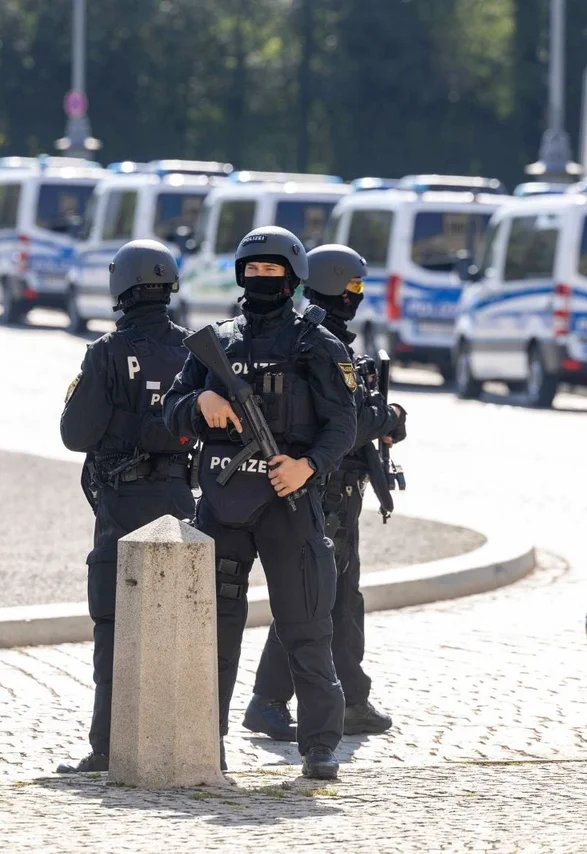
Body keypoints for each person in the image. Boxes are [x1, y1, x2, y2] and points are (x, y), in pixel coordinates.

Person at [162, 226, 357, 780]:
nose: (262, 279)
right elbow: (172, 409)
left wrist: (308, 466)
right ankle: (206, 744)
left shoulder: (317, 344)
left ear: (293, 278)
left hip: (287, 502)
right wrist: (200, 398)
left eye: (273, 271)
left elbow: (343, 424)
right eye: (253, 269)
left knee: (307, 628)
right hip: (223, 506)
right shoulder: (217, 342)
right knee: (213, 637)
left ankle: (320, 746)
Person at [242, 244, 407, 744]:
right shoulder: (317, 340)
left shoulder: (325, 335)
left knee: (340, 598)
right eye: (354, 287)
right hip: (323, 488)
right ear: (337, 284)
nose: (359, 297)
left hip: (340, 488)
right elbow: (344, 421)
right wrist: (388, 419)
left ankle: (351, 696)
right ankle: (267, 701)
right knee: (312, 597)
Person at [57, 239, 196, 774]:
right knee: (182, 623)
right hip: (181, 501)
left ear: (121, 287)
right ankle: (184, 741)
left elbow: (75, 433)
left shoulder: (108, 352)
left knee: (114, 624)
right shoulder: (196, 349)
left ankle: (109, 746)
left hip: (124, 502)